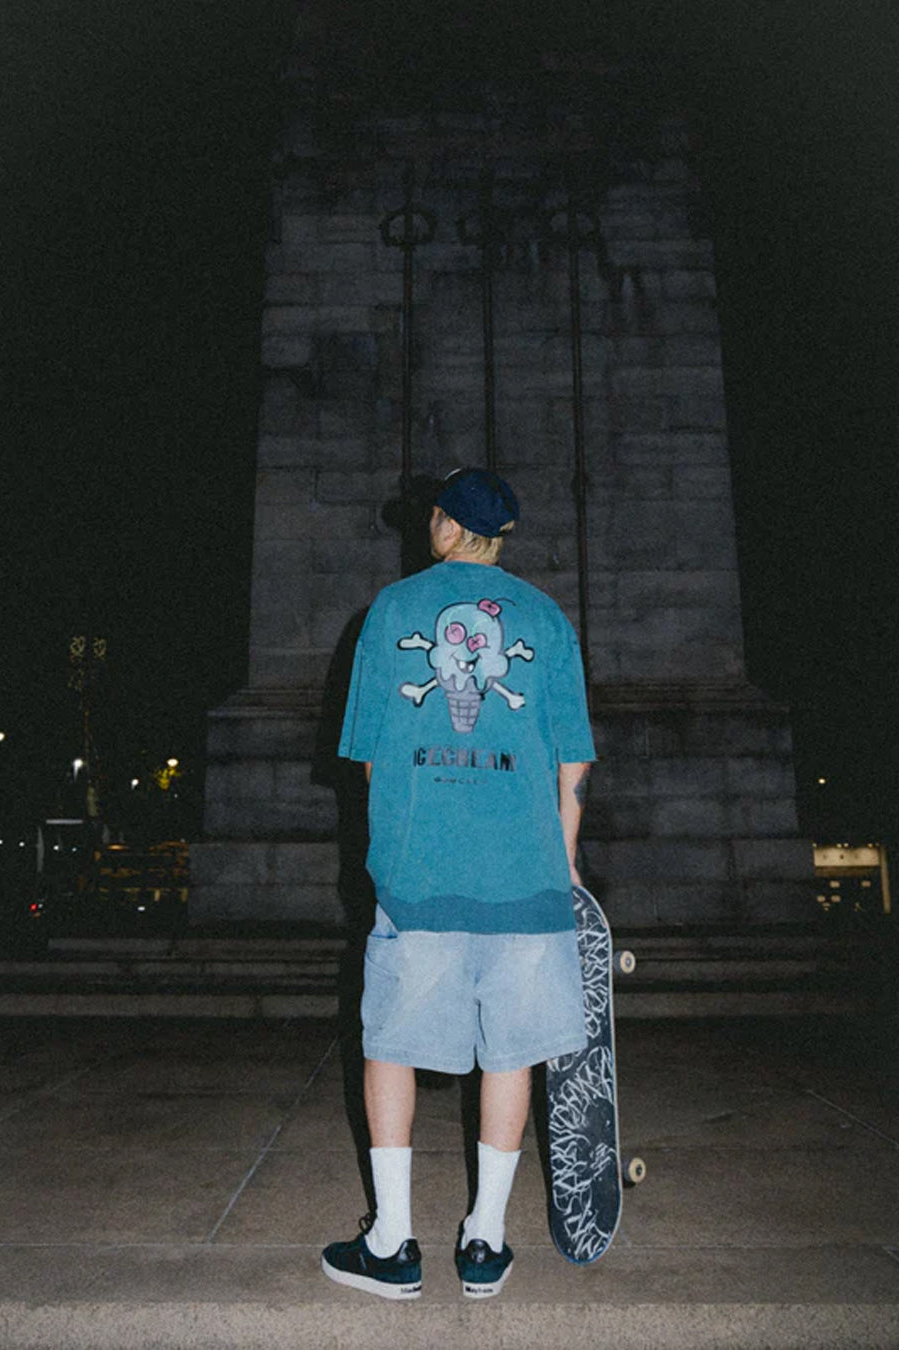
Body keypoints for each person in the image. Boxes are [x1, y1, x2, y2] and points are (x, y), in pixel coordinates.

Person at [322, 467, 595, 1300]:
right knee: (511, 1054)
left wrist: (411, 832)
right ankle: (485, 1242)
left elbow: (368, 758)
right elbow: (572, 759)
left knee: (392, 1046)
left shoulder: (392, 613)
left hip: (421, 877)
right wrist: (567, 863)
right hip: (528, 879)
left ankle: (394, 1243)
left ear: (443, 525)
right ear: (502, 536)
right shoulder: (546, 619)